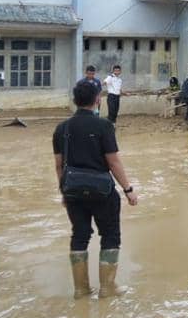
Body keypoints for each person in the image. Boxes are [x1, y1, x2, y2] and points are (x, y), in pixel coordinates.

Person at [53, 80, 138, 298]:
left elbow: (59, 165)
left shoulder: (62, 129)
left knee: (79, 236)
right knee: (110, 235)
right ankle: (108, 288)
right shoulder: (104, 126)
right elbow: (113, 162)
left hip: (73, 191)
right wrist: (128, 189)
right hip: (102, 192)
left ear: (74, 101)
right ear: (97, 99)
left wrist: (64, 193)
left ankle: (81, 290)